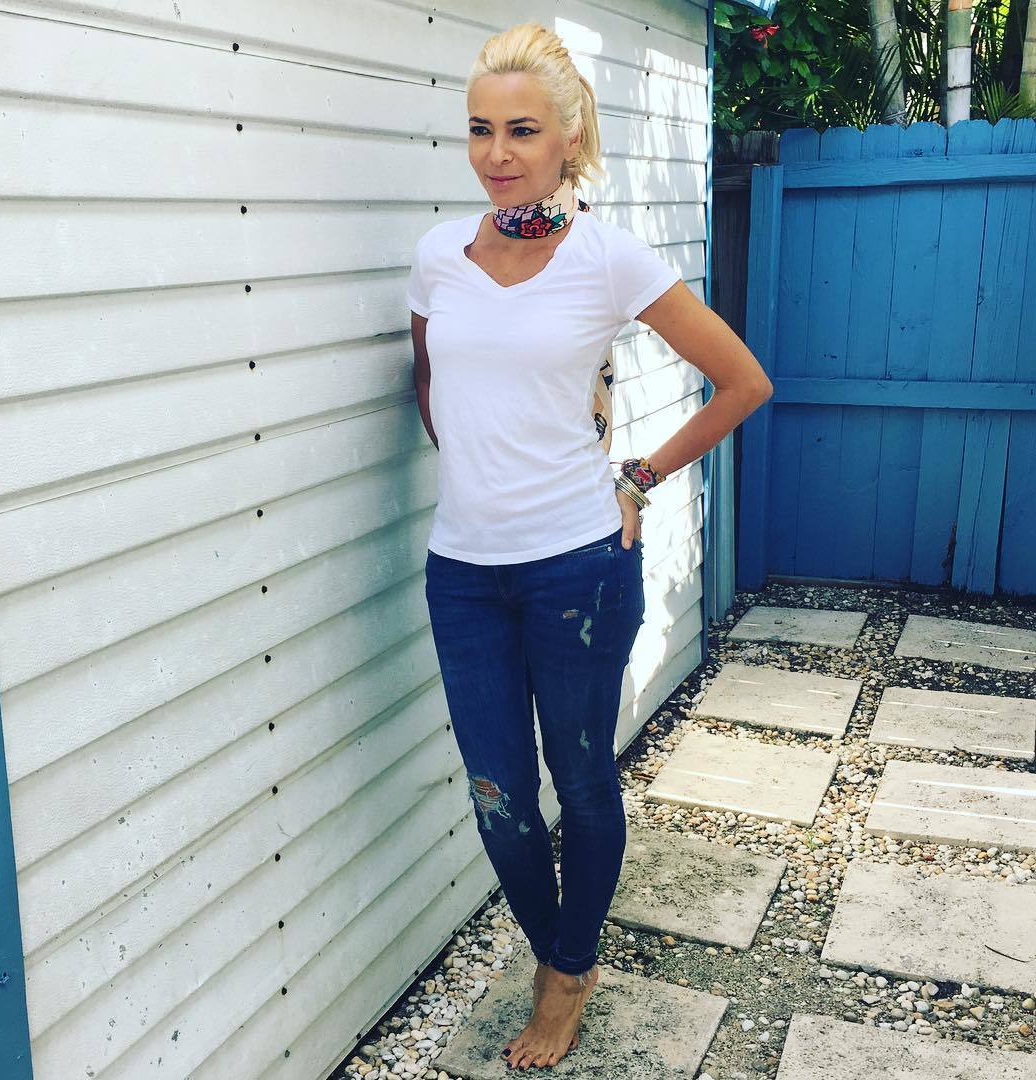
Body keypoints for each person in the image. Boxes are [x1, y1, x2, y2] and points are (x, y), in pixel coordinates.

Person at [405, 21, 773, 1072]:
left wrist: (636, 478)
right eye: (479, 129)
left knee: (581, 783)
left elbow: (742, 382)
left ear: (570, 136)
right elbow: (431, 383)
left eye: (521, 130)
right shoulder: (439, 256)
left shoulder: (609, 258)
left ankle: (568, 974)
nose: (496, 153)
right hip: (462, 573)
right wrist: (485, 481)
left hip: (578, 566)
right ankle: (554, 950)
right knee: (497, 797)